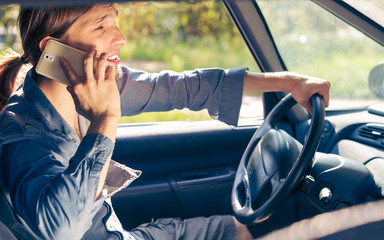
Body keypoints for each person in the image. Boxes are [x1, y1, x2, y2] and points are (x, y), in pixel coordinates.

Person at [0, 3, 330, 240]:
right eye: (101, 26)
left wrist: (289, 83)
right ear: (54, 52)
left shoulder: (91, 84)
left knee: (234, 230)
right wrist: (105, 119)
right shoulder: (23, 139)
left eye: (114, 21)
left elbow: (180, 88)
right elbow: (61, 230)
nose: (120, 37)